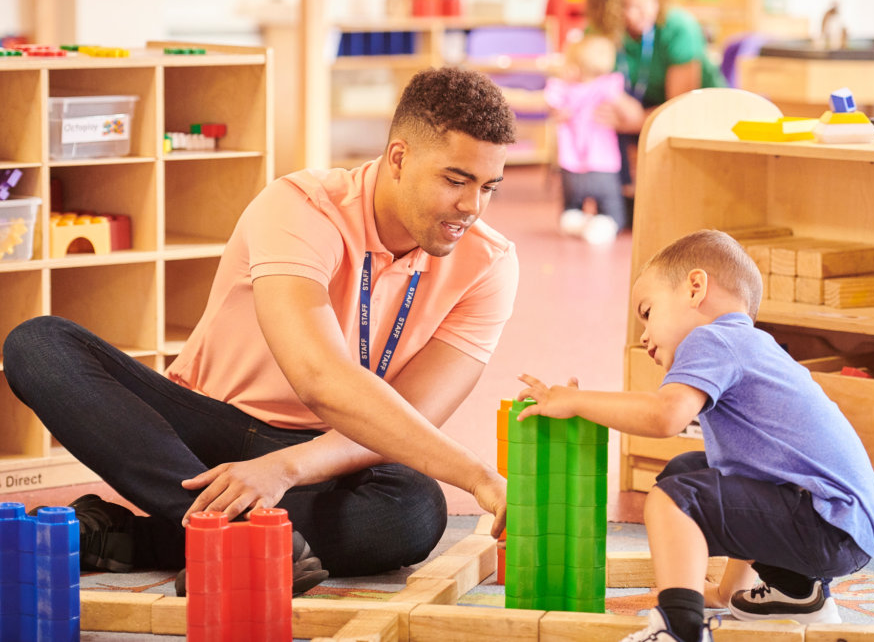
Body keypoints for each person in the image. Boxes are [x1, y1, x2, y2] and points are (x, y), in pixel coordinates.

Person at [3, 67, 518, 593]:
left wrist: (287, 467)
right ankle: (239, 535)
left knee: (411, 510)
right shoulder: (301, 207)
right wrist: (480, 479)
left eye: (489, 187)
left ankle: (159, 539)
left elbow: (412, 420)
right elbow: (318, 376)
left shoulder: (490, 263)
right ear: (399, 158)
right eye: (456, 181)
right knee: (38, 344)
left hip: (326, 451)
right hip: (206, 430)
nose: (471, 208)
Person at [516, 230, 874, 641]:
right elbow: (748, 487)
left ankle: (679, 627)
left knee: (674, 500)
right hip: (840, 526)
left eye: (648, 312)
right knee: (687, 472)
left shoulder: (713, 338)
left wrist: (577, 402)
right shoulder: (750, 344)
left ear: (695, 288)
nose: (644, 334)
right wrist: (727, 592)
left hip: (826, 524)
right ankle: (797, 592)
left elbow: (664, 417)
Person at [586, 0, 727, 225]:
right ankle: (612, 201)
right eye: (632, 5)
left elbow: (682, 110)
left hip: (698, 115)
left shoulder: (679, 29)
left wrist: (637, 119)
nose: (646, 12)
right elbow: (589, 87)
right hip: (637, 116)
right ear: (610, 5)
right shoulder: (600, 34)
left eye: (651, 0)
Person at [544, 35, 643, 244]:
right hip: (603, 165)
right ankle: (603, 224)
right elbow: (632, 114)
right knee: (613, 212)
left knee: (571, 207)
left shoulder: (564, 91)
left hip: (570, 166)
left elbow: (551, 106)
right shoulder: (607, 87)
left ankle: (574, 221)